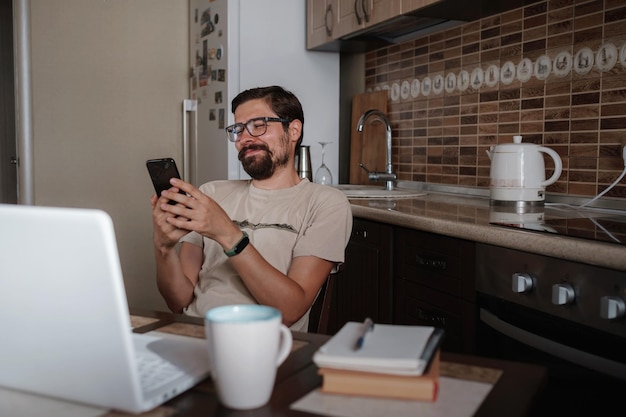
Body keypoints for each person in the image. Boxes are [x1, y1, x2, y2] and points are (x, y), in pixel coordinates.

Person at [150, 85, 352, 332]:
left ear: (294, 130)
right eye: (238, 129)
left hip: (263, 347)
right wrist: (164, 248)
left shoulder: (325, 203)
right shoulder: (211, 193)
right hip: (193, 334)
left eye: (259, 125)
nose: (245, 137)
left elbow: (289, 311)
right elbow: (177, 301)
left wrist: (228, 234)